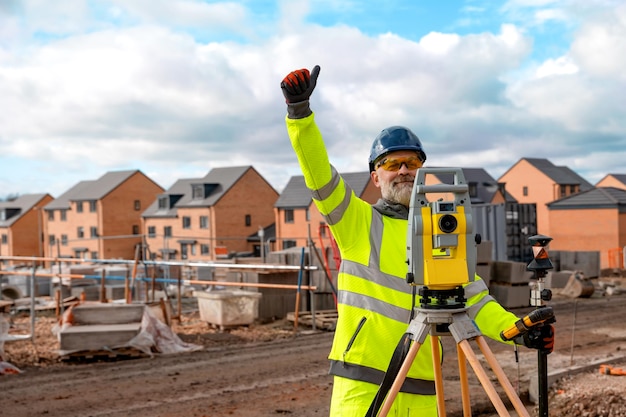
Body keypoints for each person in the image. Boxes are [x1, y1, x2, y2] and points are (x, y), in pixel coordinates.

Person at [280, 65, 554, 416]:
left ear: (424, 171)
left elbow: (472, 297)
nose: (404, 170)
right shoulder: (357, 222)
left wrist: (516, 331)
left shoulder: (441, 229)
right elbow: (318, 177)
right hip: (363, 384)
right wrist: (300, 115)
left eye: (411, 162)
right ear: (375, 176)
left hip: (424, 386)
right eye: (392, 164)